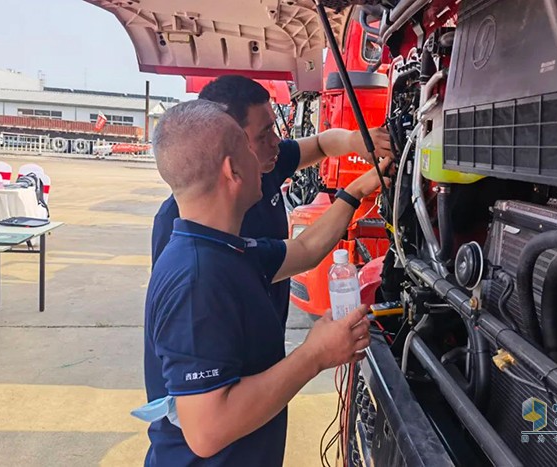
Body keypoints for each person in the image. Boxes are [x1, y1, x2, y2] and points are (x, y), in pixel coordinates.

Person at [141, 100, 388, 466]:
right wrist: (314, 355)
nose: (262, 158)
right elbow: (207, 430)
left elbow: (305, 249)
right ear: (232, 170)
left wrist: (357, 190)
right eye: (247, 147)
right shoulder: (197, 279)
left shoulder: (223, 249)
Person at [151, 75, 393, 328]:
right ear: (228, 144)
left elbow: (321, 144)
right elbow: (305, 251)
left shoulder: (265, 166)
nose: (276, 141)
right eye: (264, 133)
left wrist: (355, 141)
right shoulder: (183, 232)